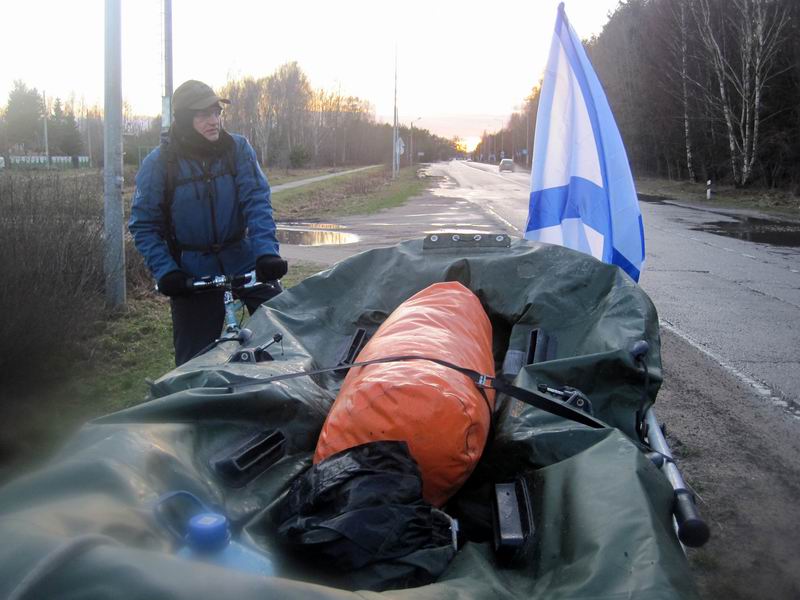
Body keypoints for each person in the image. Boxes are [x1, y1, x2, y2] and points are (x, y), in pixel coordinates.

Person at [129, 79, 287, 366]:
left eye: (217, 113)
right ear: (184, 119)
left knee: (288, 332)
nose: (214, 121)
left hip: (243, 260)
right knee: (192, 365)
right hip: (192, 271)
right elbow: (144, 225)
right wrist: (167, 272)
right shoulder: (159, 164)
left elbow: (257, 202)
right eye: (204, 115)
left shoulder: (238, 149)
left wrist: (266, 252)